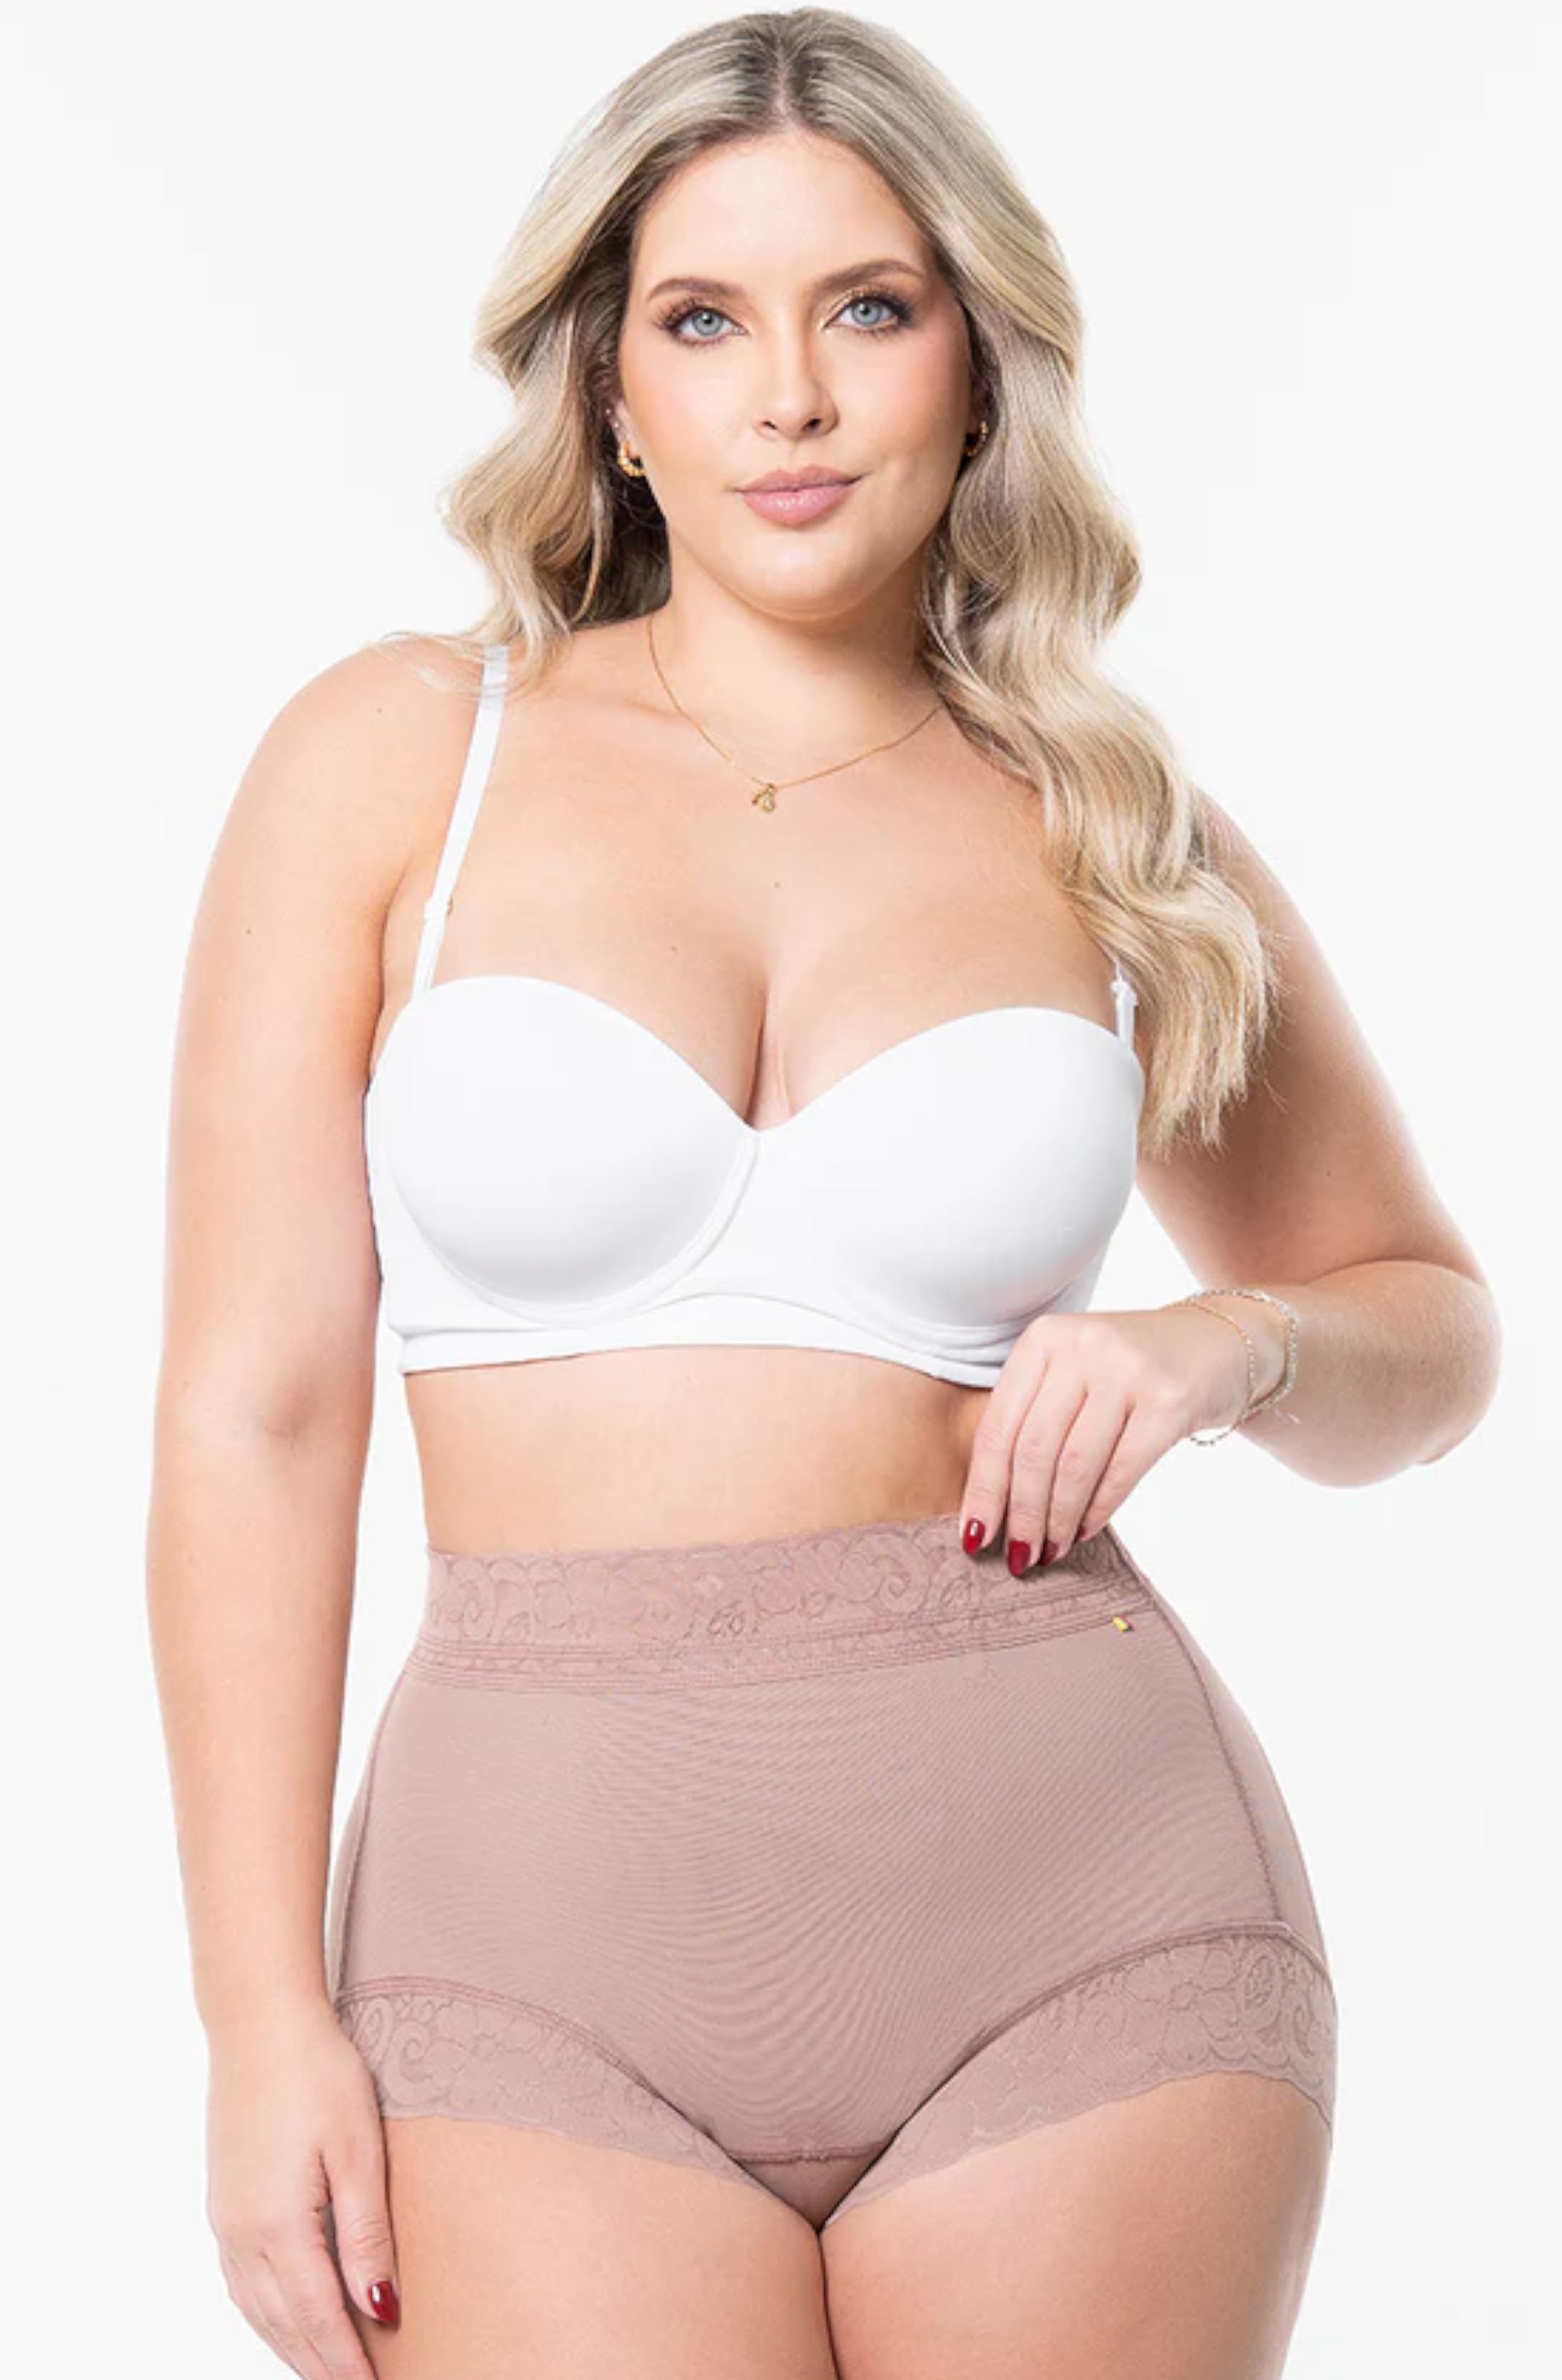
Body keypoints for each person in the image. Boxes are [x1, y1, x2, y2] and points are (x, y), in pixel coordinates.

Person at [147, 13, 1499, 2376]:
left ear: (974, 364)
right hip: (527, 1971)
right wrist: (258, 2023)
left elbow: (1431, 1339)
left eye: (866, 308)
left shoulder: (1102, 822)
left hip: (1088, 1936)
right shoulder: (398, 761)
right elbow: (254, 1419)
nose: (787, 397)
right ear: (608, 387)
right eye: (704, 320)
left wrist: (1226, 1343)